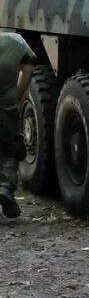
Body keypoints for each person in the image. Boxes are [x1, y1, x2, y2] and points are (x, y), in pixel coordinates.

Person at [0, 31, 37, 219]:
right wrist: (18, 93)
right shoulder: (16, 41)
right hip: (6, 106)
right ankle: (5, 188)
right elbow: (29, 69)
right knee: (10, 146)